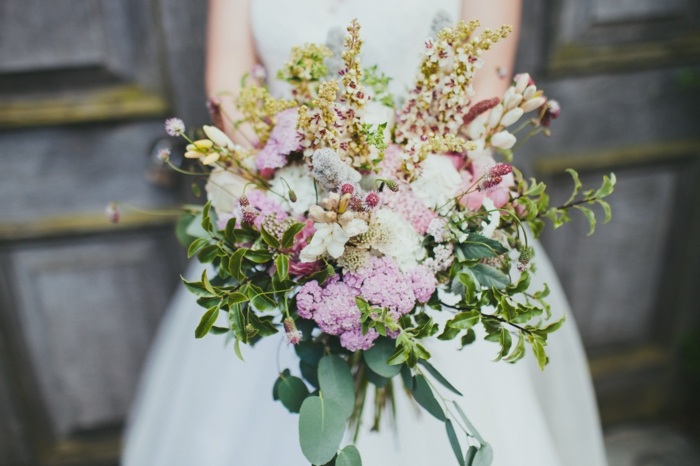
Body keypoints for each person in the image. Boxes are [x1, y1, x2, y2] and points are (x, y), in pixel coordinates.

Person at [122, 1, 609, 464]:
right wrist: (282, 199)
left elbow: (486, 81)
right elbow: (229, 86)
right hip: (286, 202)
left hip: (429, 204)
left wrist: (412, 201)